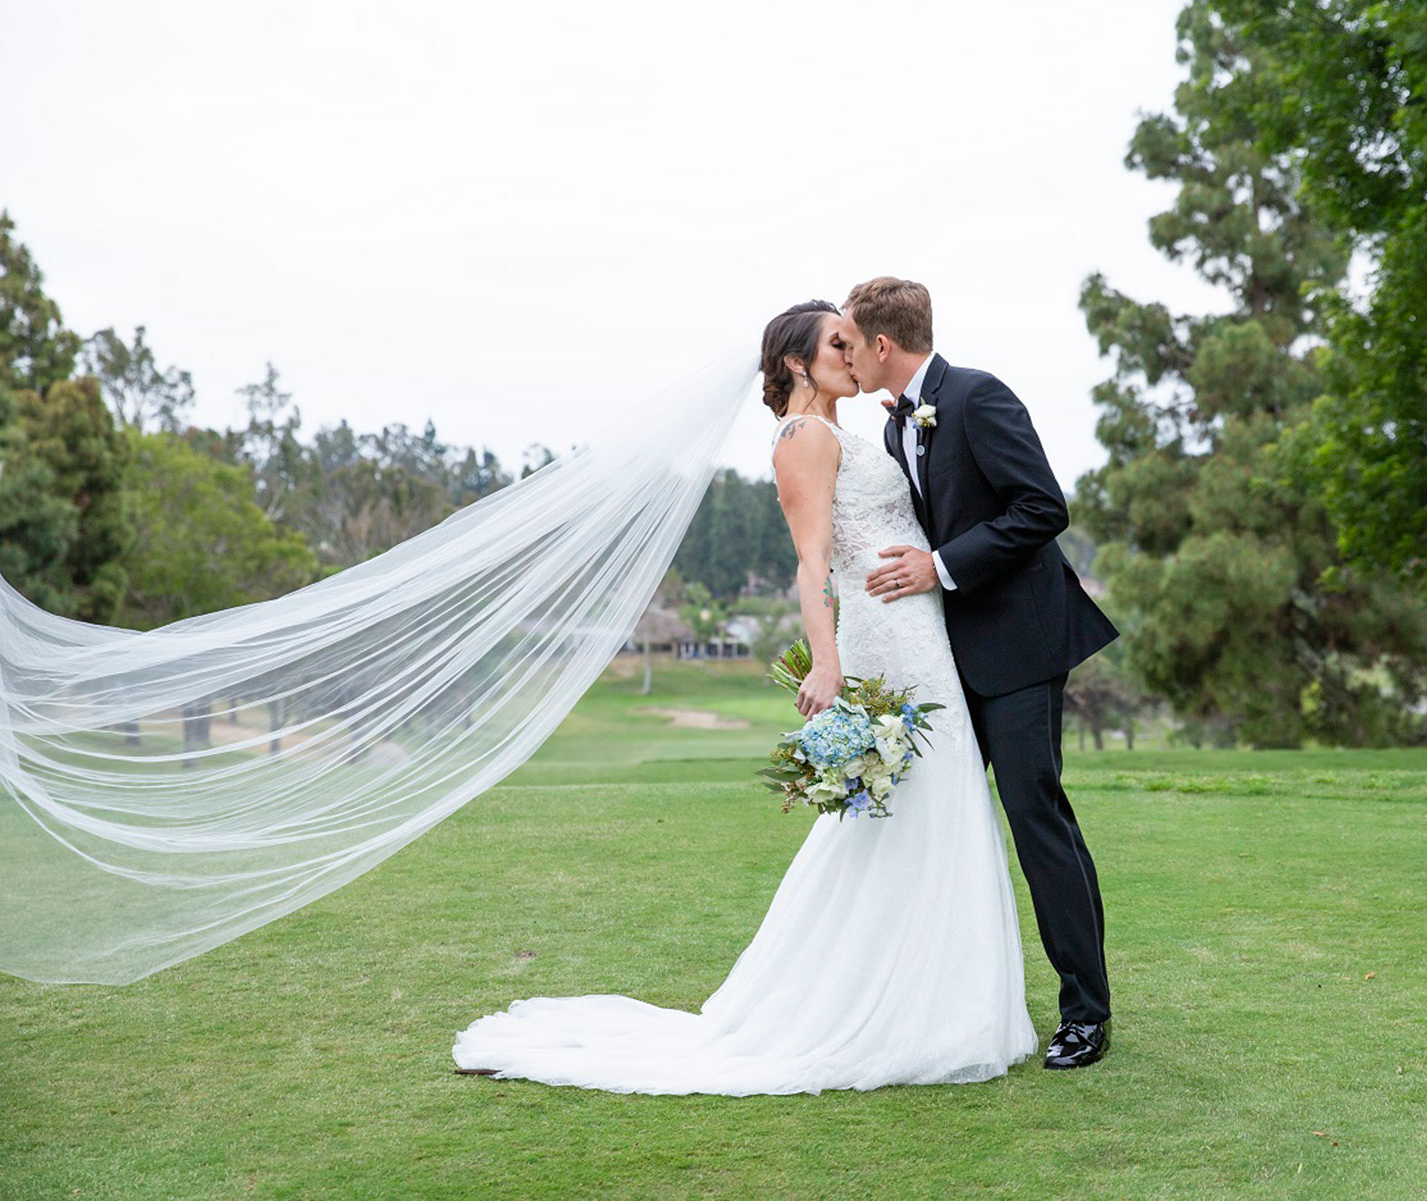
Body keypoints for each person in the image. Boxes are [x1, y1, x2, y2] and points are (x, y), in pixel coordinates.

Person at [451, 299, 1039, 1092]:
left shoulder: (848, 430)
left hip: (920, 630)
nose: (853, 353)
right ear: (797, 361)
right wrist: (826, 662)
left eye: (853, 341)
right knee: (909, 811)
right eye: (837, 343)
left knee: (928, 808)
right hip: (887, 638)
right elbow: (811, 561)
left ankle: (935, 999)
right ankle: (891, 1008)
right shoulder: (803, 438)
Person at [844, 276, 1118, 1072]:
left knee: (1036, 818)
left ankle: (1087, 1012)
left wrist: (939, 565)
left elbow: (1042, 507)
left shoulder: (977, 395)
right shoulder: (894, 426)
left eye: (851, 343)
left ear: (883, 344)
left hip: (1021, 647)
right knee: (952, 823)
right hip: (945, 657)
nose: (847, 357)